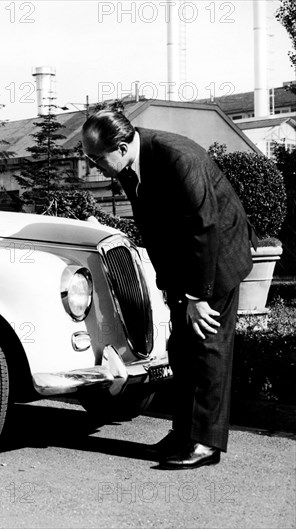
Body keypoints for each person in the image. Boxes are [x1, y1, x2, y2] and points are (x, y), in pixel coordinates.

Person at [82, 110, 255, 469]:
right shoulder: (129, 164)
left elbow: (204, 228)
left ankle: (206, 444)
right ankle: (184, 432)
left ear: (123, 145)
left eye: (97, 158)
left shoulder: (179, 158)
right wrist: (169, 286)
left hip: (216, 256)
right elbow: (155, 230)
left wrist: (197, 296)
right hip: (185, 262)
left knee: (207, 348)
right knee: (180, 347)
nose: (94, 166)